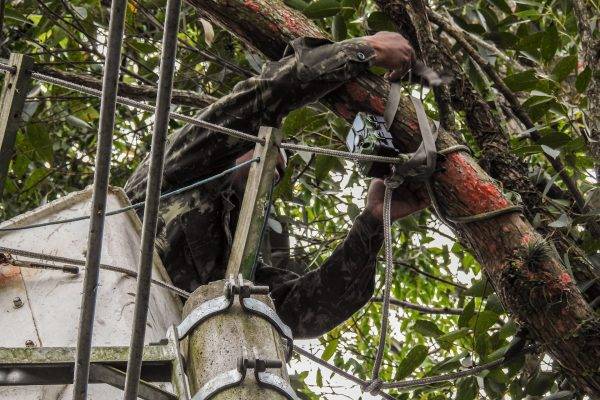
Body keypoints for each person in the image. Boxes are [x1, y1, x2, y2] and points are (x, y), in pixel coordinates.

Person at [125, 31, 430, 338]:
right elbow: (263, 97)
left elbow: (305, 309)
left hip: (155, 352)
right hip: (116, 306)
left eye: (279, 172)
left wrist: (372, 220)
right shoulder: (180, 164)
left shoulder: (235, 262)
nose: (272, 174)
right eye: (267, 156)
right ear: (243, 142)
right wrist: (365, 49)